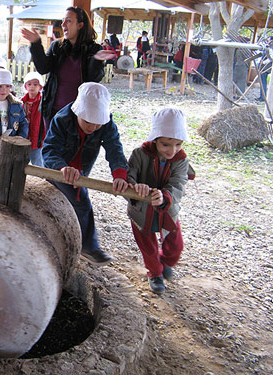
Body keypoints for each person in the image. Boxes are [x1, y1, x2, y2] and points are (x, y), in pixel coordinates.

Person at [42, 82, 128, 266]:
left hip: (81, 171)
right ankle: (88, 247)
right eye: (88, 121)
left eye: (98, 123)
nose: (93, 126)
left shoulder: (106, 123)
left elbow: (114, 148)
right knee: (80, 202)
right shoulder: (62, 119)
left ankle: (77, 243)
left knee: (74, 202)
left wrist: (120, 173)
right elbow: (49, 150)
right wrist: (61, 168)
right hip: (58, 169)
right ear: (78, 112)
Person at [127, 108, 193, 295]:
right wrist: (135, 188)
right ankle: (155, 273)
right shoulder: (139, 154)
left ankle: (165, 262)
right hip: (140, 211)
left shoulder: (181, 160)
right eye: (166, 144)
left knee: (176, 245)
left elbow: (178, 184)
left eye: (178, 144)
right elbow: (127, 177)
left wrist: (165, 197)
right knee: (148, 246)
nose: (172, 150)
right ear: (155, 139)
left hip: (167, 210)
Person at [22, 7, 114, 129]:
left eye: (68, 21)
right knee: (53, 146)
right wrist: (36, 44)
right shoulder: (57, 47)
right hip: (53, 110)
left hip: (80, 112)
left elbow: (93, 79)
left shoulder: (93, 49)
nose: (63, 24)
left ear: (80, 25)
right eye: (63, 21)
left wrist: (96, 61)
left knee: (74, 147)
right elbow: (43, 68)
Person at [20, 71, 45, 166]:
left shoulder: (43, 102)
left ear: (40, 87)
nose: (32, 87)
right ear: (25, 86)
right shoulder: (21, 102)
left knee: (38, 164)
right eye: (29, 84)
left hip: (38, 139)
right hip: (24, 138)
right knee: (21, 164)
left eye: (35, 84)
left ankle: (40, 180)